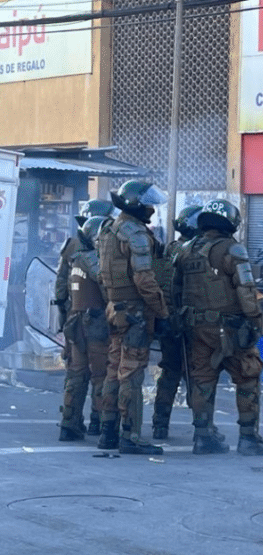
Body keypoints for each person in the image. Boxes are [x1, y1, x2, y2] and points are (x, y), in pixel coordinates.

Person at [173, 199, 263, 455]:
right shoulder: (232, 249)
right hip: (230, 327)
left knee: (203, 380)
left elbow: (175, 289)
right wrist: (254, 320)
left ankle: (203, 437)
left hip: (196, 329)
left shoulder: (186, 250)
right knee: (248, 376)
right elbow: (246, 289)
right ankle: (248, 438)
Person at [97, 180, 170, 455]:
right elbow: (144, 279)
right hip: (136, 314)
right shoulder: (136, 234)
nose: (152, 209)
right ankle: (132, 435)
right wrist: (161, 310)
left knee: (114, 370)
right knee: (131, 373)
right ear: (135, 205)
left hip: (115, 309)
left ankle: (108, 432)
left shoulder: (109, 230)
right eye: (148, 204)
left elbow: (103, 276)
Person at [54, 199, 114, 440]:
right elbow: (107, 289)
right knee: (100, 374)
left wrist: (64, 313)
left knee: (76, 374)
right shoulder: (94, 256)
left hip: (74, 320)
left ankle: (69, 422)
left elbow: (61, 286)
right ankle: (98, 422)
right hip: (96, 321)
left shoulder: (72, 249)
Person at [150, 204, 201, 440]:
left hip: (169, 322)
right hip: (187, 323)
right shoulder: (192, 253)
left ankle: (160, 424)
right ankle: (203, 428)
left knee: (170, 374)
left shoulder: (170, 249)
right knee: (198, 375)